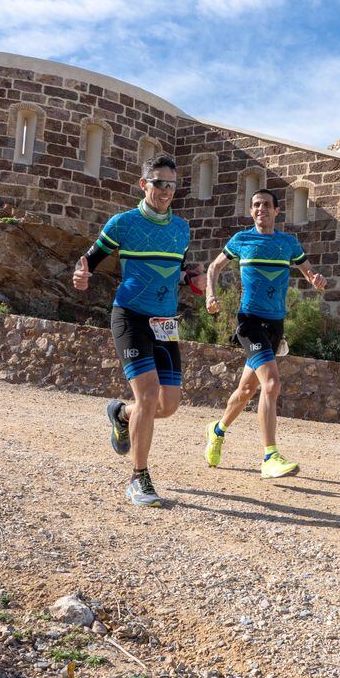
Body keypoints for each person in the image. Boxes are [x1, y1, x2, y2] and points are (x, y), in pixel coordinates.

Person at [72, 155, 205, 507]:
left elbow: (176, 270)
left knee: (168, 405)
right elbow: (89, 260)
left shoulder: (181, 229)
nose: (165, 191)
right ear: (143, 184)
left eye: (172, 184)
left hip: (164, 323)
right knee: (148, 395)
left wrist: (193, 278)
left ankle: (121, 414)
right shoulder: (123, 224)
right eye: (159, 183)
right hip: (129, 317)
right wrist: (81, 275)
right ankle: (138, 478)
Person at [202, 188, 327, 478]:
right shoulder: (241, 240)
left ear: (276, 211)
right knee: (271, 384)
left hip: (275, 325)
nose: (261, 209)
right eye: (256, 205)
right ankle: (270, 456)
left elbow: (309, 272)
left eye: (266, 205)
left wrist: (317, 279)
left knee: (247, 389)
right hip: (249, 323)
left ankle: (217, 430)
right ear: (251, 211)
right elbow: (213, 267)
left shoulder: (288, 243)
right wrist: (210, 295)